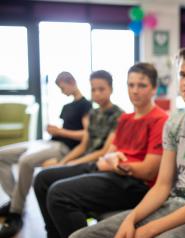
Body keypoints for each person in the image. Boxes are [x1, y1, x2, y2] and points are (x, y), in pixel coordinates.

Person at [70, 45, 185, 238]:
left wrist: (152, 228)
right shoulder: (174, 122)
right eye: (182, 74)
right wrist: (132, 218)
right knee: (80, 236)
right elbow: (162, 185)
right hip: (170, 204)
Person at [33, 63, 168, 238]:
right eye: (131, 85)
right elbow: (108, 154)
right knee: (42, 179)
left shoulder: (161, 119)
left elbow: (148, 171)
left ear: (154, 89)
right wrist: (111, 161)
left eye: (142, 85)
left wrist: (115, 164)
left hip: (134, 184)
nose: (135, 91)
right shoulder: (126, 119)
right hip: (111, 172)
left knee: (58, 194)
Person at [29, 69, 122, 238]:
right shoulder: (93, 113)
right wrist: (63, 162)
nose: (97, 93)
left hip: (97, 163)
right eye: (93, 89)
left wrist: (74, 164)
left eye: (102, 89)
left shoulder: (118, 115)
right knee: (41, 178)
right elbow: (83, 145)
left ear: (111, 89)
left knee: (52, 185)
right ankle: (53, 232)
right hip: (85, 159)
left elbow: (103, 151)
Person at [0, 71, 92, 237]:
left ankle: (15, 212)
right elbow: (64, 129)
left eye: (62, 87)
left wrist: (61, 131)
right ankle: (16, 201)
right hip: (48, 141)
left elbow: (86, 134)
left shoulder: (85, 105)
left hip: (63, 146)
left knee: (26, 162)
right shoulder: (67, 106)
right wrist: (54, 130)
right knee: (2, 155)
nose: (62, 91)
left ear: (71, 82)